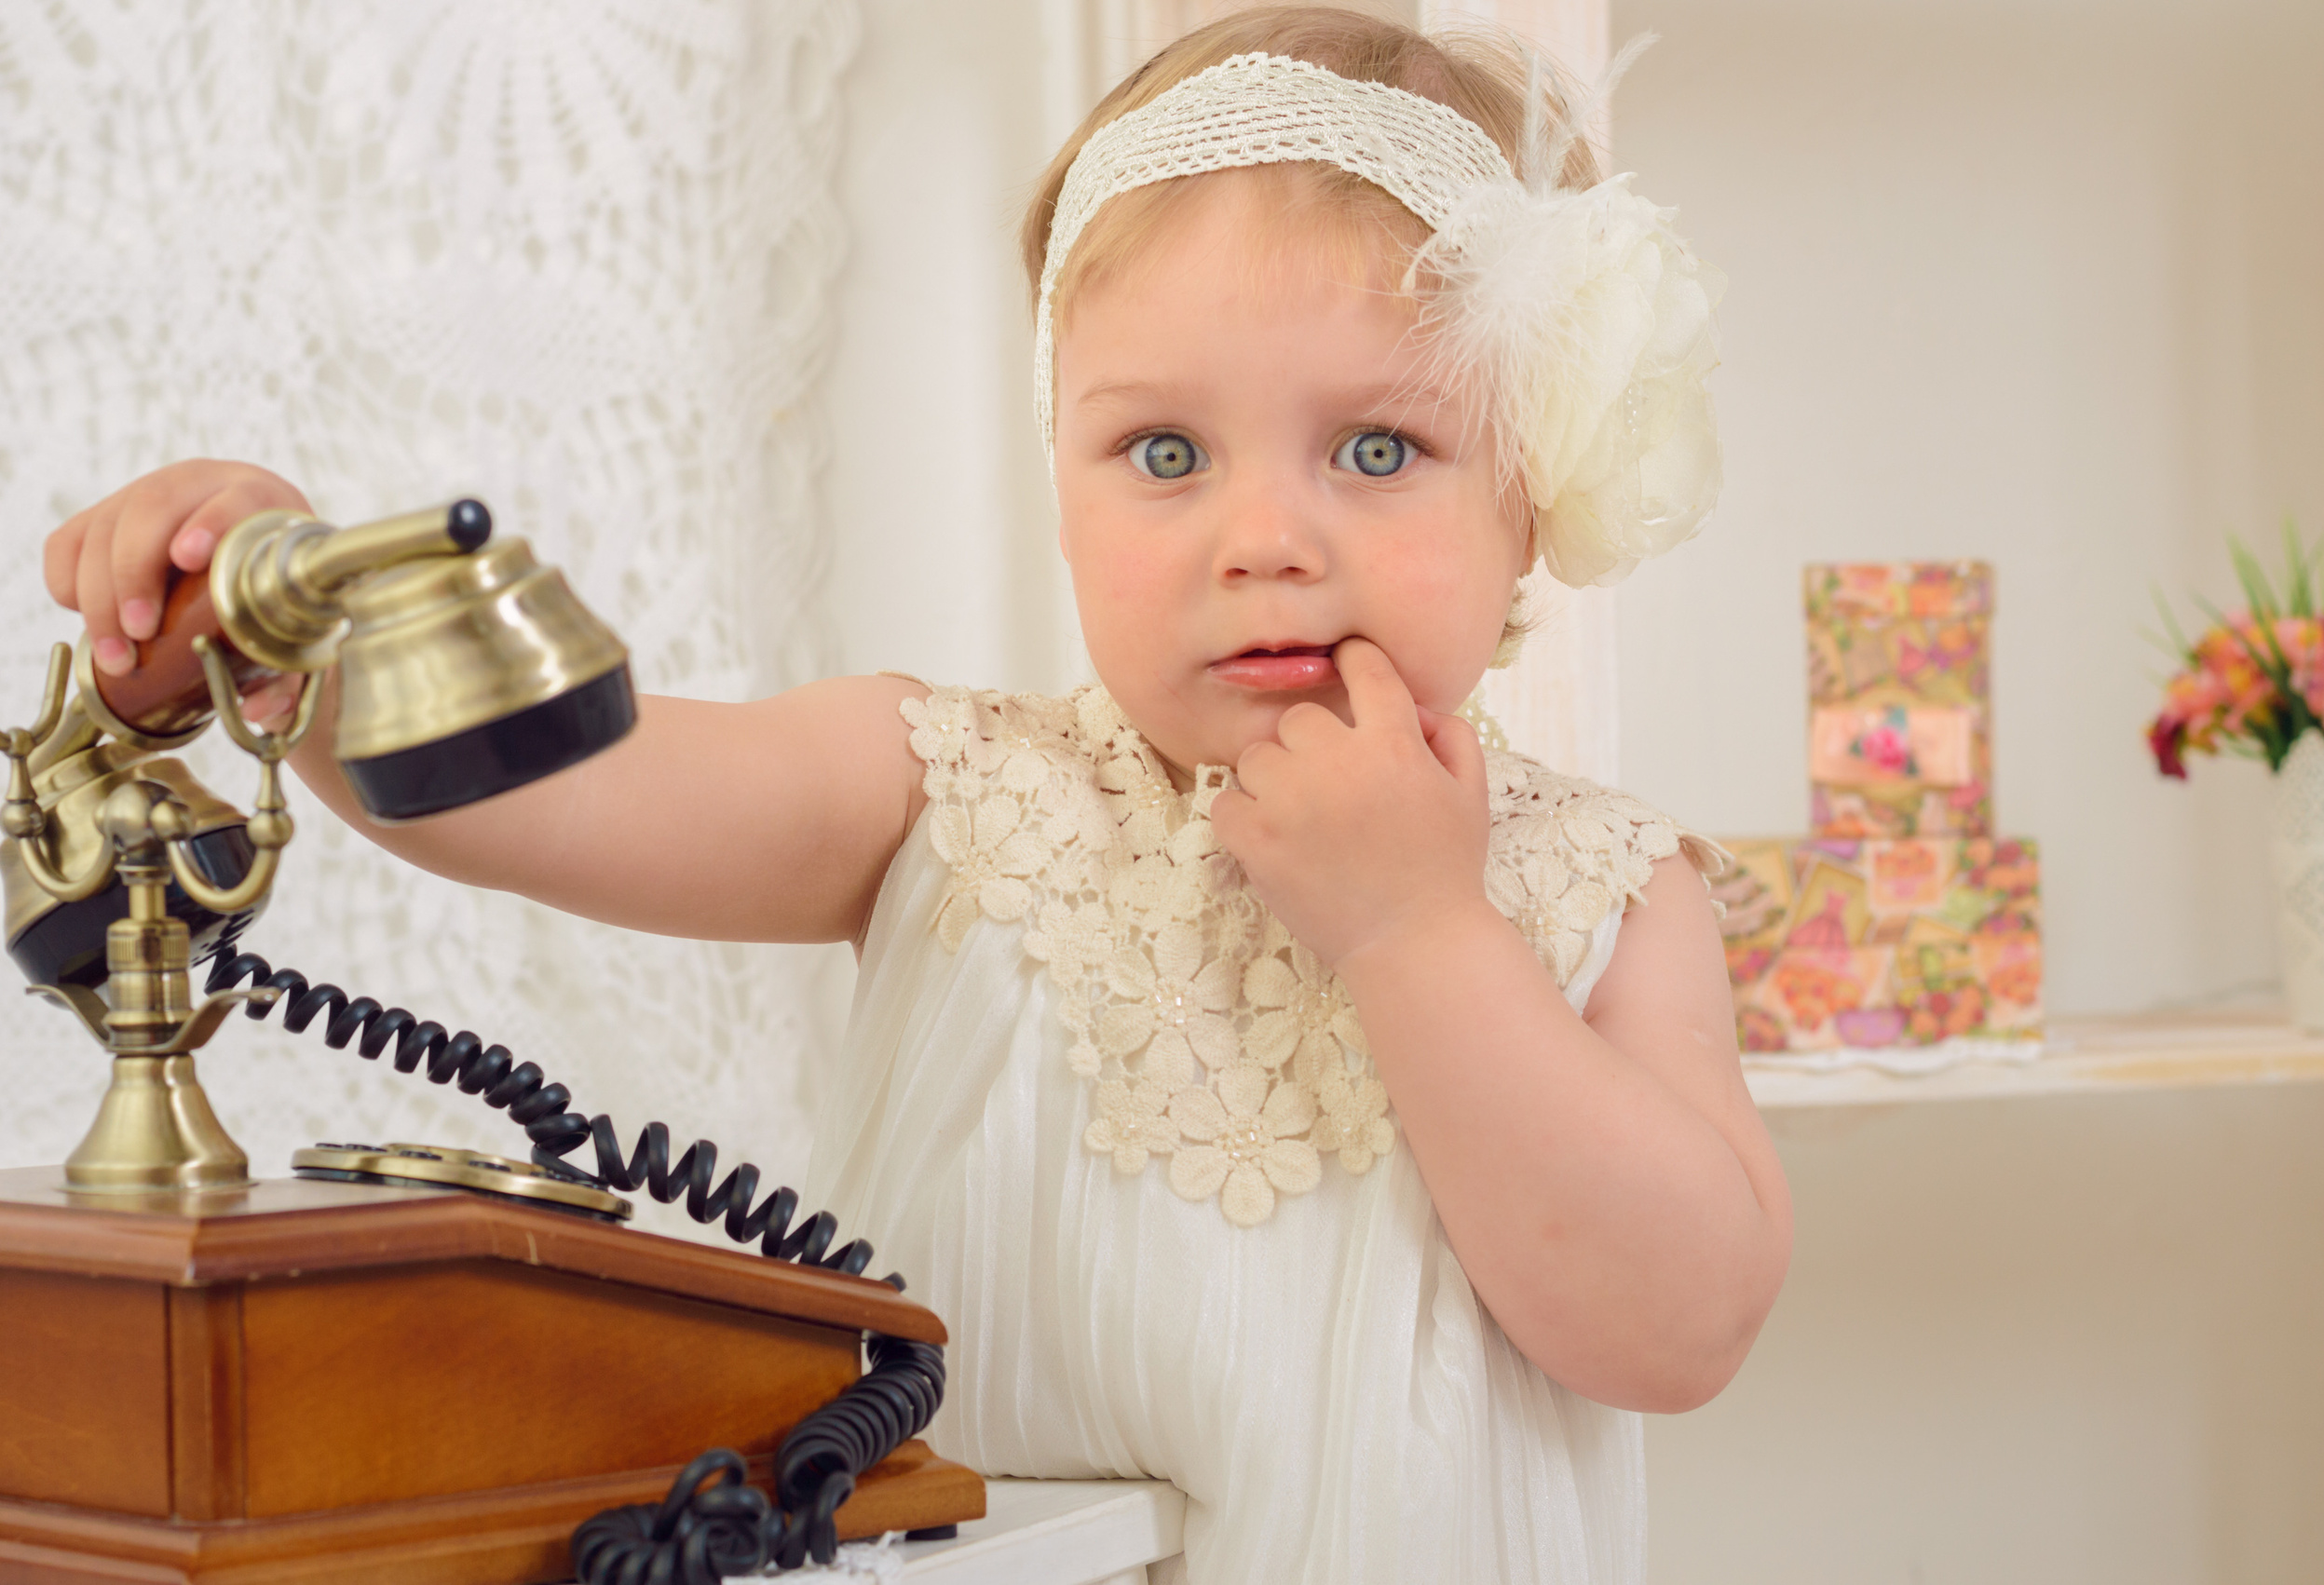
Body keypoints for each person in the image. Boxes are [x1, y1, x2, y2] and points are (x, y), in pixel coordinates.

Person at [44, 8, 1789, 1580]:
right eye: (1164, 453)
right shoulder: (936, 788)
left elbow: (1679, 1324)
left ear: (1533, 488)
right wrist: (294, 623)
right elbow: (560, 792)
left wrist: (1421, 928)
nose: (1267, 539)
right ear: (1061, 479)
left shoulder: (1605, 890)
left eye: (1379, 447)